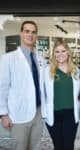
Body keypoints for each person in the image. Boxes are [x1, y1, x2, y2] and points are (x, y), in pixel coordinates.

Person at [0, 20, 46, 150]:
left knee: (35, 147)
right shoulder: (8, 58)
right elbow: (2, 87)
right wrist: (4, 114)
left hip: (38, 112)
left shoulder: (41, 59)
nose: (30, 35)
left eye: (33, 32)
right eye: (27, 31)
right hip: (18, 114)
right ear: (21, 33)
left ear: (36, 35)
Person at [43, 38, 80, 150]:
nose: (60, 54)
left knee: (68, 146)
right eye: (57, 51)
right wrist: (44, 113)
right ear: (54, 54)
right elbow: (43, 93)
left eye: (63, 51)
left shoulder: (75, 71)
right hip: (54, 114)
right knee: (58, 146)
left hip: (70, 114)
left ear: (68, 52)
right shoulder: (48, 71)